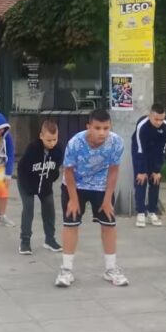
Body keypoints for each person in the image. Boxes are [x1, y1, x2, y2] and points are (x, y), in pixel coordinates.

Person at [56, 110, 129, 288]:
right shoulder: (75, 143)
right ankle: (66, 270)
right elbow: (68, 171)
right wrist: (73, 200)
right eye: (97, 128)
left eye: (106, 128)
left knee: (109, 225)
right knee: (71, 224)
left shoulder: (116, 142)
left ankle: (111, 269)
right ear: (89, 127)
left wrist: (107, 199)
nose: (102, 132)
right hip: (75, 185)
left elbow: (113, 171)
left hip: (101, 186)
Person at [16, 119, 64, 255]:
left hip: (45, 184)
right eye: (48, 140)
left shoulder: (59, 150)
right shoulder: (32, 149)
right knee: (28, 208)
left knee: (49, 209)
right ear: (41, 136)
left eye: (54, 139)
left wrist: (49, 180)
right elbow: (22, 168)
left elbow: (56, 169)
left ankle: (50, 239)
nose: (52, 143)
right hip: (27, 183)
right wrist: (30, 187)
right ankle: (25, 241)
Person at [131, 103, 166, 228]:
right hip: (140, 152)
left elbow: (162, 149)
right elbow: (140, 149)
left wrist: (157, 170)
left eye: (162, 119)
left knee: (155, 180)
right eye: (156, 119)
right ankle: (141, 212)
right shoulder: (142, 126)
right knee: (141, 180)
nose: (159, 122)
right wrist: (141, 170)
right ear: (150, 116)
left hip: (155, 154)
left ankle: (152, 211)